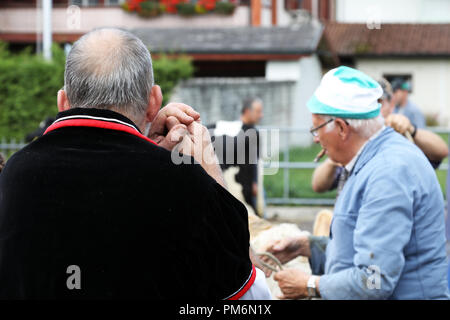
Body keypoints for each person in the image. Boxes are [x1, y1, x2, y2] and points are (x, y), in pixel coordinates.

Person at [0, 28, 271, 300]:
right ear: (154, 101)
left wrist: (147, 148)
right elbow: (252, 298)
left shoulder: (13, 175)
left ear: (62, 102)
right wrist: (210, 173)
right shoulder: (186, 184)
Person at [267, 66, 450, 299]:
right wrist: (310, 246)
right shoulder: (371, 162)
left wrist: (309, 284)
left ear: (342, 128)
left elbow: (374, 280)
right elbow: (361, 249)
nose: (315, 138)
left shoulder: (388, 173)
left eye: (316, 128)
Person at [312, 77, 448, 194]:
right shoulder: (353, 137)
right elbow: (318, 185)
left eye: (379, 103)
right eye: (368, 105)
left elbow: (441, 150)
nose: (373, 110)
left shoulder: (399, 134)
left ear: (392, 104)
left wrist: (412, 130)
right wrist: (336, 157)